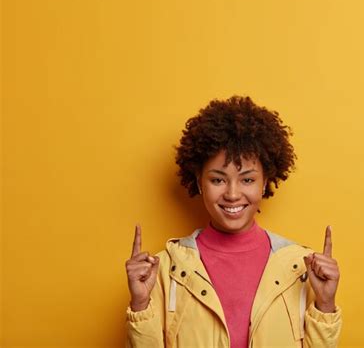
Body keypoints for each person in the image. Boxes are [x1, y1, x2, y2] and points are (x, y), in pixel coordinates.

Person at [125, 95, 342, 347]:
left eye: (247, 180)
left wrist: (325, 306)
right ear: (199, 182)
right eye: (218, 180)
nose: (232, 194)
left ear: (264, 183)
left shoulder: (301, 267)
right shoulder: (164, 269)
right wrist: (140, 305)